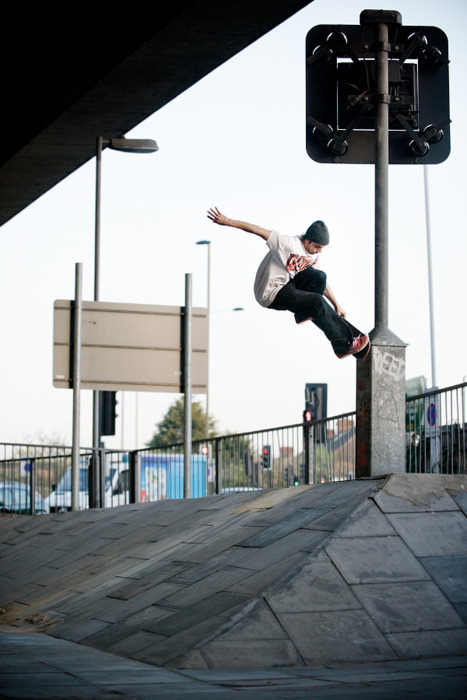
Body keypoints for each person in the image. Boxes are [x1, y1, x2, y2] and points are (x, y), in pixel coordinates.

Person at [207, 207, 369, 359]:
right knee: (317, 302)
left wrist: (336, 304)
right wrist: (228, 221)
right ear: (307, 240)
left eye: (322, 248)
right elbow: (259, 231)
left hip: (289, 285)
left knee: (320, 277)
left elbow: (322, 284)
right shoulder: (287, 244)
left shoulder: (313, 256)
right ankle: (343, 344)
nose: (319, 251)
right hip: (270, 293)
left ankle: (303, 313)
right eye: (317, 247)